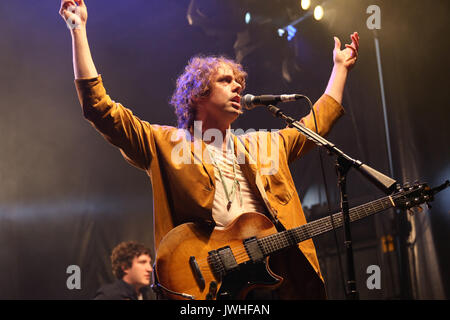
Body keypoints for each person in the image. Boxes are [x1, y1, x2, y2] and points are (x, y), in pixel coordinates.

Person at [60, 0, 359, 299]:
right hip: (207, 286)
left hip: (265, 282)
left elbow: (315, 125)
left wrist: (340, 69)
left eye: (239, 81)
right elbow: (100, 109)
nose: (237, 87)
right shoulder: (165, 144)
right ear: (197, 94)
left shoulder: (263, 145)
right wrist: (78, 29)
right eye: (225, 80)